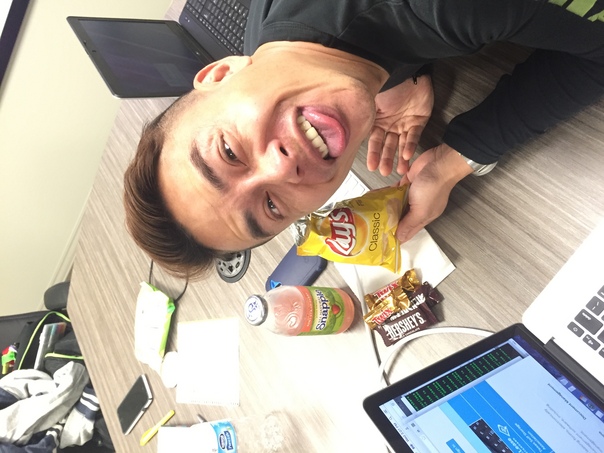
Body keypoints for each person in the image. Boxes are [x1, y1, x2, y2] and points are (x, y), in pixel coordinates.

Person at [123, 0, 604, 280]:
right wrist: (400, 73)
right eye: (271, 206)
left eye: (229, 152)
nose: (280, 168)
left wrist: (462, 155)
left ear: (220, 73)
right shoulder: (265, 44)